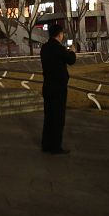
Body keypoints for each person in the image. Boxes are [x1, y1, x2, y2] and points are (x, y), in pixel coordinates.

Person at [40, 24, 76, 154]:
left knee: (48, 116)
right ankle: (55, 146)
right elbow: (71, 60)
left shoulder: (44, 48)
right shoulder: (59, 48)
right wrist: (72, 50)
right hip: (59, 88)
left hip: (47, 86)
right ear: (59, 34)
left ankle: (46, 144)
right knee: (58, 118)